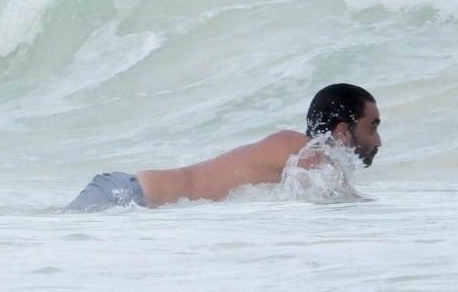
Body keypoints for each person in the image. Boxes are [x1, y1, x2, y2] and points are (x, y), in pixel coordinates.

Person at [64, 83, 381, 211]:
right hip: (125, 197)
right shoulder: (304, 151)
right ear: (343, 131)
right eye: (373, 127)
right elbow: (341, 201)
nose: (378, 141)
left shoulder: (296, 149)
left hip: (125, 197)